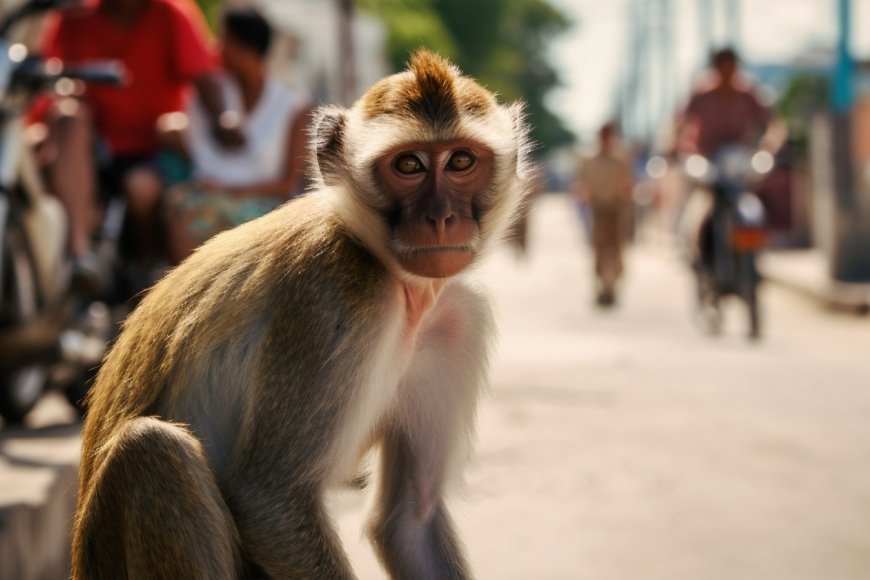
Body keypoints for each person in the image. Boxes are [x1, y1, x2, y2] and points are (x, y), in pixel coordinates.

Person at [37, 0, 243, 283]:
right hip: (89, 149)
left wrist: (222, 117)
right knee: (68, 116)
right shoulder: (73, 15)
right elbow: (44, 76)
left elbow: (205, 78)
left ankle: (143, 269)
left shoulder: (171, 15)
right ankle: (79, 253)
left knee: (141, 189)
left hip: (150, 151)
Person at [164, 7, 311, 265]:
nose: (215, 48)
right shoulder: (211, 95)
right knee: (180, 204)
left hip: (264, 206)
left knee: (193, 210)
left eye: (224, 40)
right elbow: (194, 146)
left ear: (248, 48)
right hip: (211, 197)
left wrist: (230, 188)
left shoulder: (294, 106)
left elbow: (288, 184)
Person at [575, 122, 634, 307]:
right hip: (597, 210)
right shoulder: (589, 159)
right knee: (599, 250)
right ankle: (602, 286)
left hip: (616, 210)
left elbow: (628, 183)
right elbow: (582, 184)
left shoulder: (620, 160)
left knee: (616, 250)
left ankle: (612, 286)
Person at [680, 47, 770, 157]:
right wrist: (683, 145)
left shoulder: (747, 95)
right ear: (716, 68)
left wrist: (769, 142)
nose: (727, 72)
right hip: (705, 157)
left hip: (740, 156)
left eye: (731, 67)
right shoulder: (702, 96)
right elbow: (681, 123)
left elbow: (772, 121)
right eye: (723, 67)